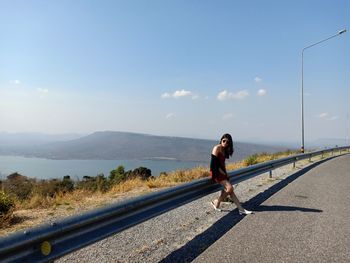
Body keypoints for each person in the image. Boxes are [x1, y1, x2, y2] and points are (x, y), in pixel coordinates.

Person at [210, 133, 252, 215]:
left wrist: (225, 173)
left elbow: (222, 163)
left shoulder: (224, 149)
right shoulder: (217, 148)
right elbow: (213, 164)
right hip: (216, 172)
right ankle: (216, 202)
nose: (225, 143)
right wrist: (221, 173)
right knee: (230, 188)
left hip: (222, 173)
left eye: (227, 142)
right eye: (224, 140)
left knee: (231, 191)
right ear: (221, 140)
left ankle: (241, 209)